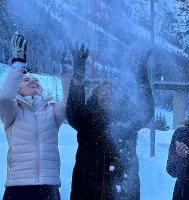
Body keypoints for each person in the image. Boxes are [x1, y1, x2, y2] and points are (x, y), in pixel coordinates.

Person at [66, 44, 154, 200]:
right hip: (87, 193)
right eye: (103, 90)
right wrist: (78, 74)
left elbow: (146, 110)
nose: (108, 92)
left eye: (113, 90)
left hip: (123, 193)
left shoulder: (128, 117)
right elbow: (73, 111)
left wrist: (141, 70)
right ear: (95, 97)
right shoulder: (86, 118)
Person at [0, 34, 71, 200]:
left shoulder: (52, 111)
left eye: (36, 80)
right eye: (26, 79)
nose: (33, 81)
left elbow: (70, 104)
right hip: (18, 187)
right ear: (18, 88)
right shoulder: (13, 112)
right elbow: (4, 98)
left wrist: (67, 72)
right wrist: (18, 65)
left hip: (49, 187)